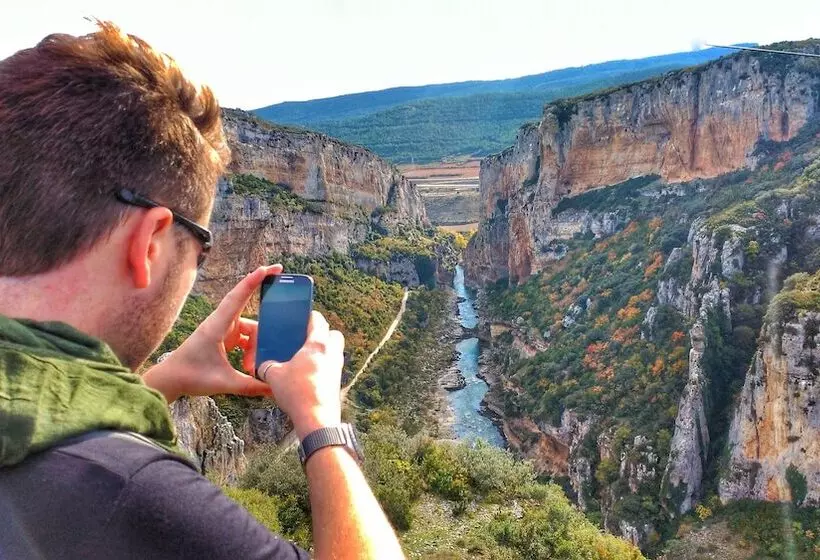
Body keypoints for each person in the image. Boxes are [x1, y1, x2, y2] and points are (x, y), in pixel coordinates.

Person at [0, 21, 405, 560]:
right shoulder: (134, 493)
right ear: (149, 243)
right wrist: (321, 425)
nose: (200, 268)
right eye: (203, 248)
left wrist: (164, 379)